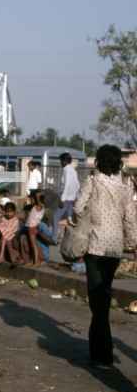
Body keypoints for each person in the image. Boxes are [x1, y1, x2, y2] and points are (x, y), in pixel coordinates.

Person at [72, 144, 137, 370]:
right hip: (115, 251)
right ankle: (96, 352)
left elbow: (78, 209)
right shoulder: (125, 191)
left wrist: (73, 222)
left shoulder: (91, 183)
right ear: (119, 164)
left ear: (98, 161)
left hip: (96, 248)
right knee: (101, 300)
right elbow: (131, 224)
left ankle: (105, 357)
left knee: (98, 304)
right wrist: (136, 252)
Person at [52, 152, 80, 242]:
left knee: (56, 217)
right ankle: (71, 239)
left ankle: (54, 239)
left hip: (66, 198)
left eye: (61, 161)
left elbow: (67, 185)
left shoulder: (66, 170)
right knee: (69, 219)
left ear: (64, 161)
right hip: (72, 198)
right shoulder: (73, 170)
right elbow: (77, 184)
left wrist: (62, 199)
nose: (60, 163)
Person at [24, 189, 45, 267]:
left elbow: (37, 195)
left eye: (32, 199)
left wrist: (42, 193)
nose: (31, 200)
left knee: (33, 245)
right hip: (30, 227)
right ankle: (32, 261)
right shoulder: (35, 206)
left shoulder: (39, 206)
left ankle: (36, 262)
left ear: (36, 199)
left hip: (33, 227)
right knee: (32, 245)